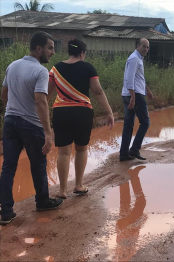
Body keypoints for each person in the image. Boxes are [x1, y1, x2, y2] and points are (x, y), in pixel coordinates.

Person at [0, 31, 63, 225]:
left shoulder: (13, 66)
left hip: (10, 121)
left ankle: (6, 212)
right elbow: (41, 102)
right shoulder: (41, 71)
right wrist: (47, 132)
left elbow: (4, 95)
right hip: (31, 124)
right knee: (38, 164)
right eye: (50, 48)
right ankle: (42, 201)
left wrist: (15, 106)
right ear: (39, 48)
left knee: (8, 167)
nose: (52, 52)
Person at [48, 39, 114, 199]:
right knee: (81, 148)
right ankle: (78, 185)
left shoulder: (55, 69)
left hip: (60, 112)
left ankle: (62, 190)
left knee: (63, 152)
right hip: (82, 112)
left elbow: (47, 94)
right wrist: (109, 112)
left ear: (69, 51)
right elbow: (97, 91)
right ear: (82, 53)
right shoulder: (88, 67)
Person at [119, 38, 154, 162]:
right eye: (144, 46)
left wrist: (147, 90)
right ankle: (134, 149)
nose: (146, 49)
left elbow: (139, 78)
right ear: (137, 46)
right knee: (145, 122)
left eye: (148, 47)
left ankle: (124, 154)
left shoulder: (138, 58)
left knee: (128, 125)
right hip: (135, 95)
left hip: (131, 94)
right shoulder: (134, 58)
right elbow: (129, 79)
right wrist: (133, 98)